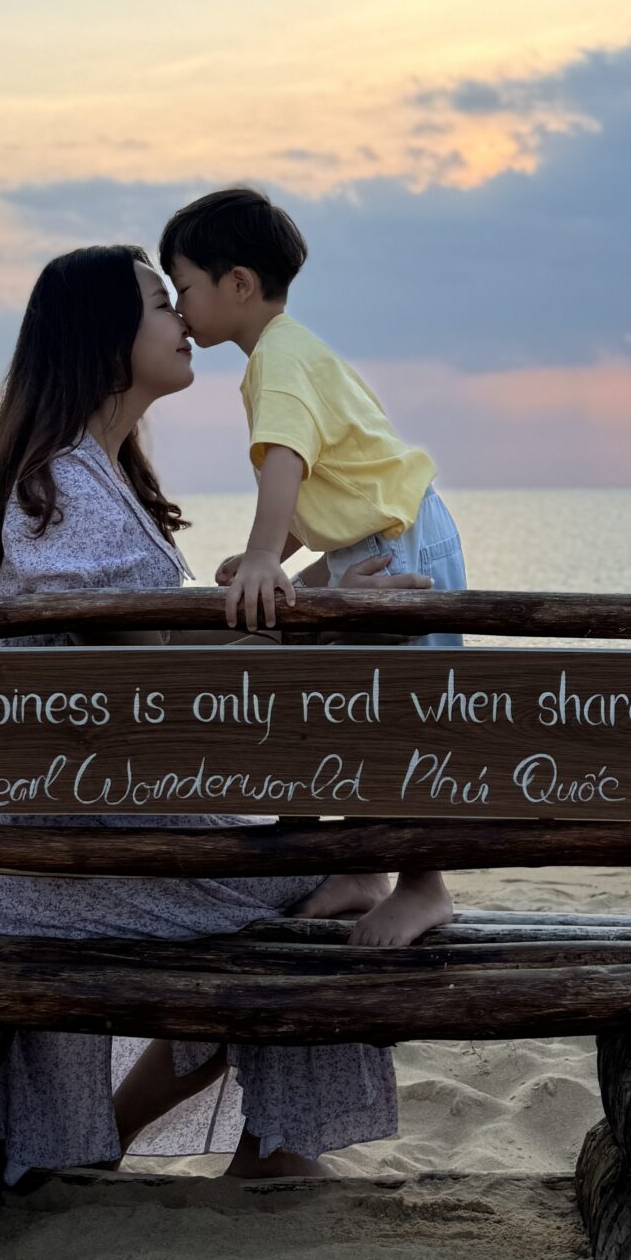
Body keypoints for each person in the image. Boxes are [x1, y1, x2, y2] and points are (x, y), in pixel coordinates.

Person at [0, 243, 418, 1182]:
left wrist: (317, 583)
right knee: (327, 894)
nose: (181, 321)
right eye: (160, 304)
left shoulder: (78, 478)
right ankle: (271, 1153)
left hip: (67, 841)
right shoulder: (67, 490)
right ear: (104, 337)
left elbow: (166, 676)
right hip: (67, 865)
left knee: (316, 884)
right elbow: (179, 688)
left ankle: (111, 1145)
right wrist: (316, 617)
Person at [158, 185, 461, 948]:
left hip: (400, 541)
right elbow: (322, 479)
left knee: (404, 713)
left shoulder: (279, 360)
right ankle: (363, 869)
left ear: (238, 285)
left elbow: (287, 459)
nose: (179, 307)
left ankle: (425, 885)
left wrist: (266, 554)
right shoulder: (289, 354)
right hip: (379, 534)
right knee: (357, 702)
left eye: (184, 287)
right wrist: (273, 553)